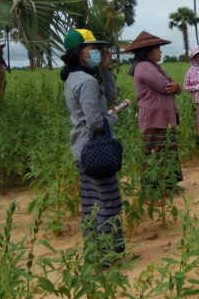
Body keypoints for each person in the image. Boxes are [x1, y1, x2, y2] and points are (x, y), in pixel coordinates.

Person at [60, 29, 124, 262]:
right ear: (79, 52)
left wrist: (106, 70)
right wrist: (114, 115)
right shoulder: (85, 81)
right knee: (108, 202)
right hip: (94, 147)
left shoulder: (77, 77)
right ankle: (108, 255)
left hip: (82, 149)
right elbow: (96, 122)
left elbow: (111, 94)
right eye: (93, 48)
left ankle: (96, 254)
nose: (97, 52)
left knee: (91, 202)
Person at [125, 31, 183, 198]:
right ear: (149, 51)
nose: (161, 52)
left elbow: (172, 85)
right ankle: (153, 192)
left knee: (165, 151)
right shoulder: (144, 67)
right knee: (155, 153)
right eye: (158, 49)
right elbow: (166, 86)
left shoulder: (151, 66)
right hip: (154, 118)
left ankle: (166, 187)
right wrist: (176, 87)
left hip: (162, 118)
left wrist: (177, 87)